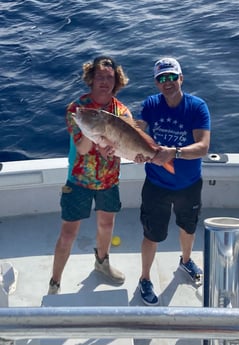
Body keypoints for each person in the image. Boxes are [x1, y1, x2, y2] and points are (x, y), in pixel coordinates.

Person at [48, 56, 132, 294]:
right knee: (68, 233)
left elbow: (124, 150)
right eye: (100, 77)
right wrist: (95, 131)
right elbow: (83, 148)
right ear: (91, 79)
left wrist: (125, 151)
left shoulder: (122, 112)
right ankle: (55, 281)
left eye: (110, 77)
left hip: (109, 180)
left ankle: (102, 264)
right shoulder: (78, 109)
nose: (105, 82)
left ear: (116, 81)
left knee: (106, 225)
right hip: (79, 180)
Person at [136, 57, 211, 305]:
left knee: (188, 227)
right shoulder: (151, 104)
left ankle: (186, 260)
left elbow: (202, 147)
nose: (166, 82)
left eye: (171, 77)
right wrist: (124, 145)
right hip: (156, 185)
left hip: (188, 184)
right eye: (161, 78)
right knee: (151, 234)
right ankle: (145, 278)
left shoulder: (197, 107)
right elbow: (137, 130)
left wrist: (175, 153)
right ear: (156, 83)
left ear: (181, 78)